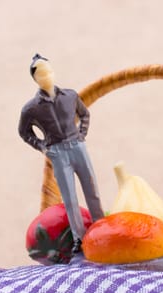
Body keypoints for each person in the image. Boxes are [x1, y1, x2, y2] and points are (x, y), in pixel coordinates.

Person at [18, 53, 104, 253]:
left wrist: (81, 134)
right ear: (35, 78)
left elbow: (84, 114)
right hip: (57, 151)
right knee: (69, 197)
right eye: (41, 74)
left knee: (92, 188)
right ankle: (79, 239)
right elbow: (24, 132)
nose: (46, 76)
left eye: (49, 71)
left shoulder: (71, 96)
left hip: (77, 146)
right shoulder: (31, 109)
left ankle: (100, 227)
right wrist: (43, 147)